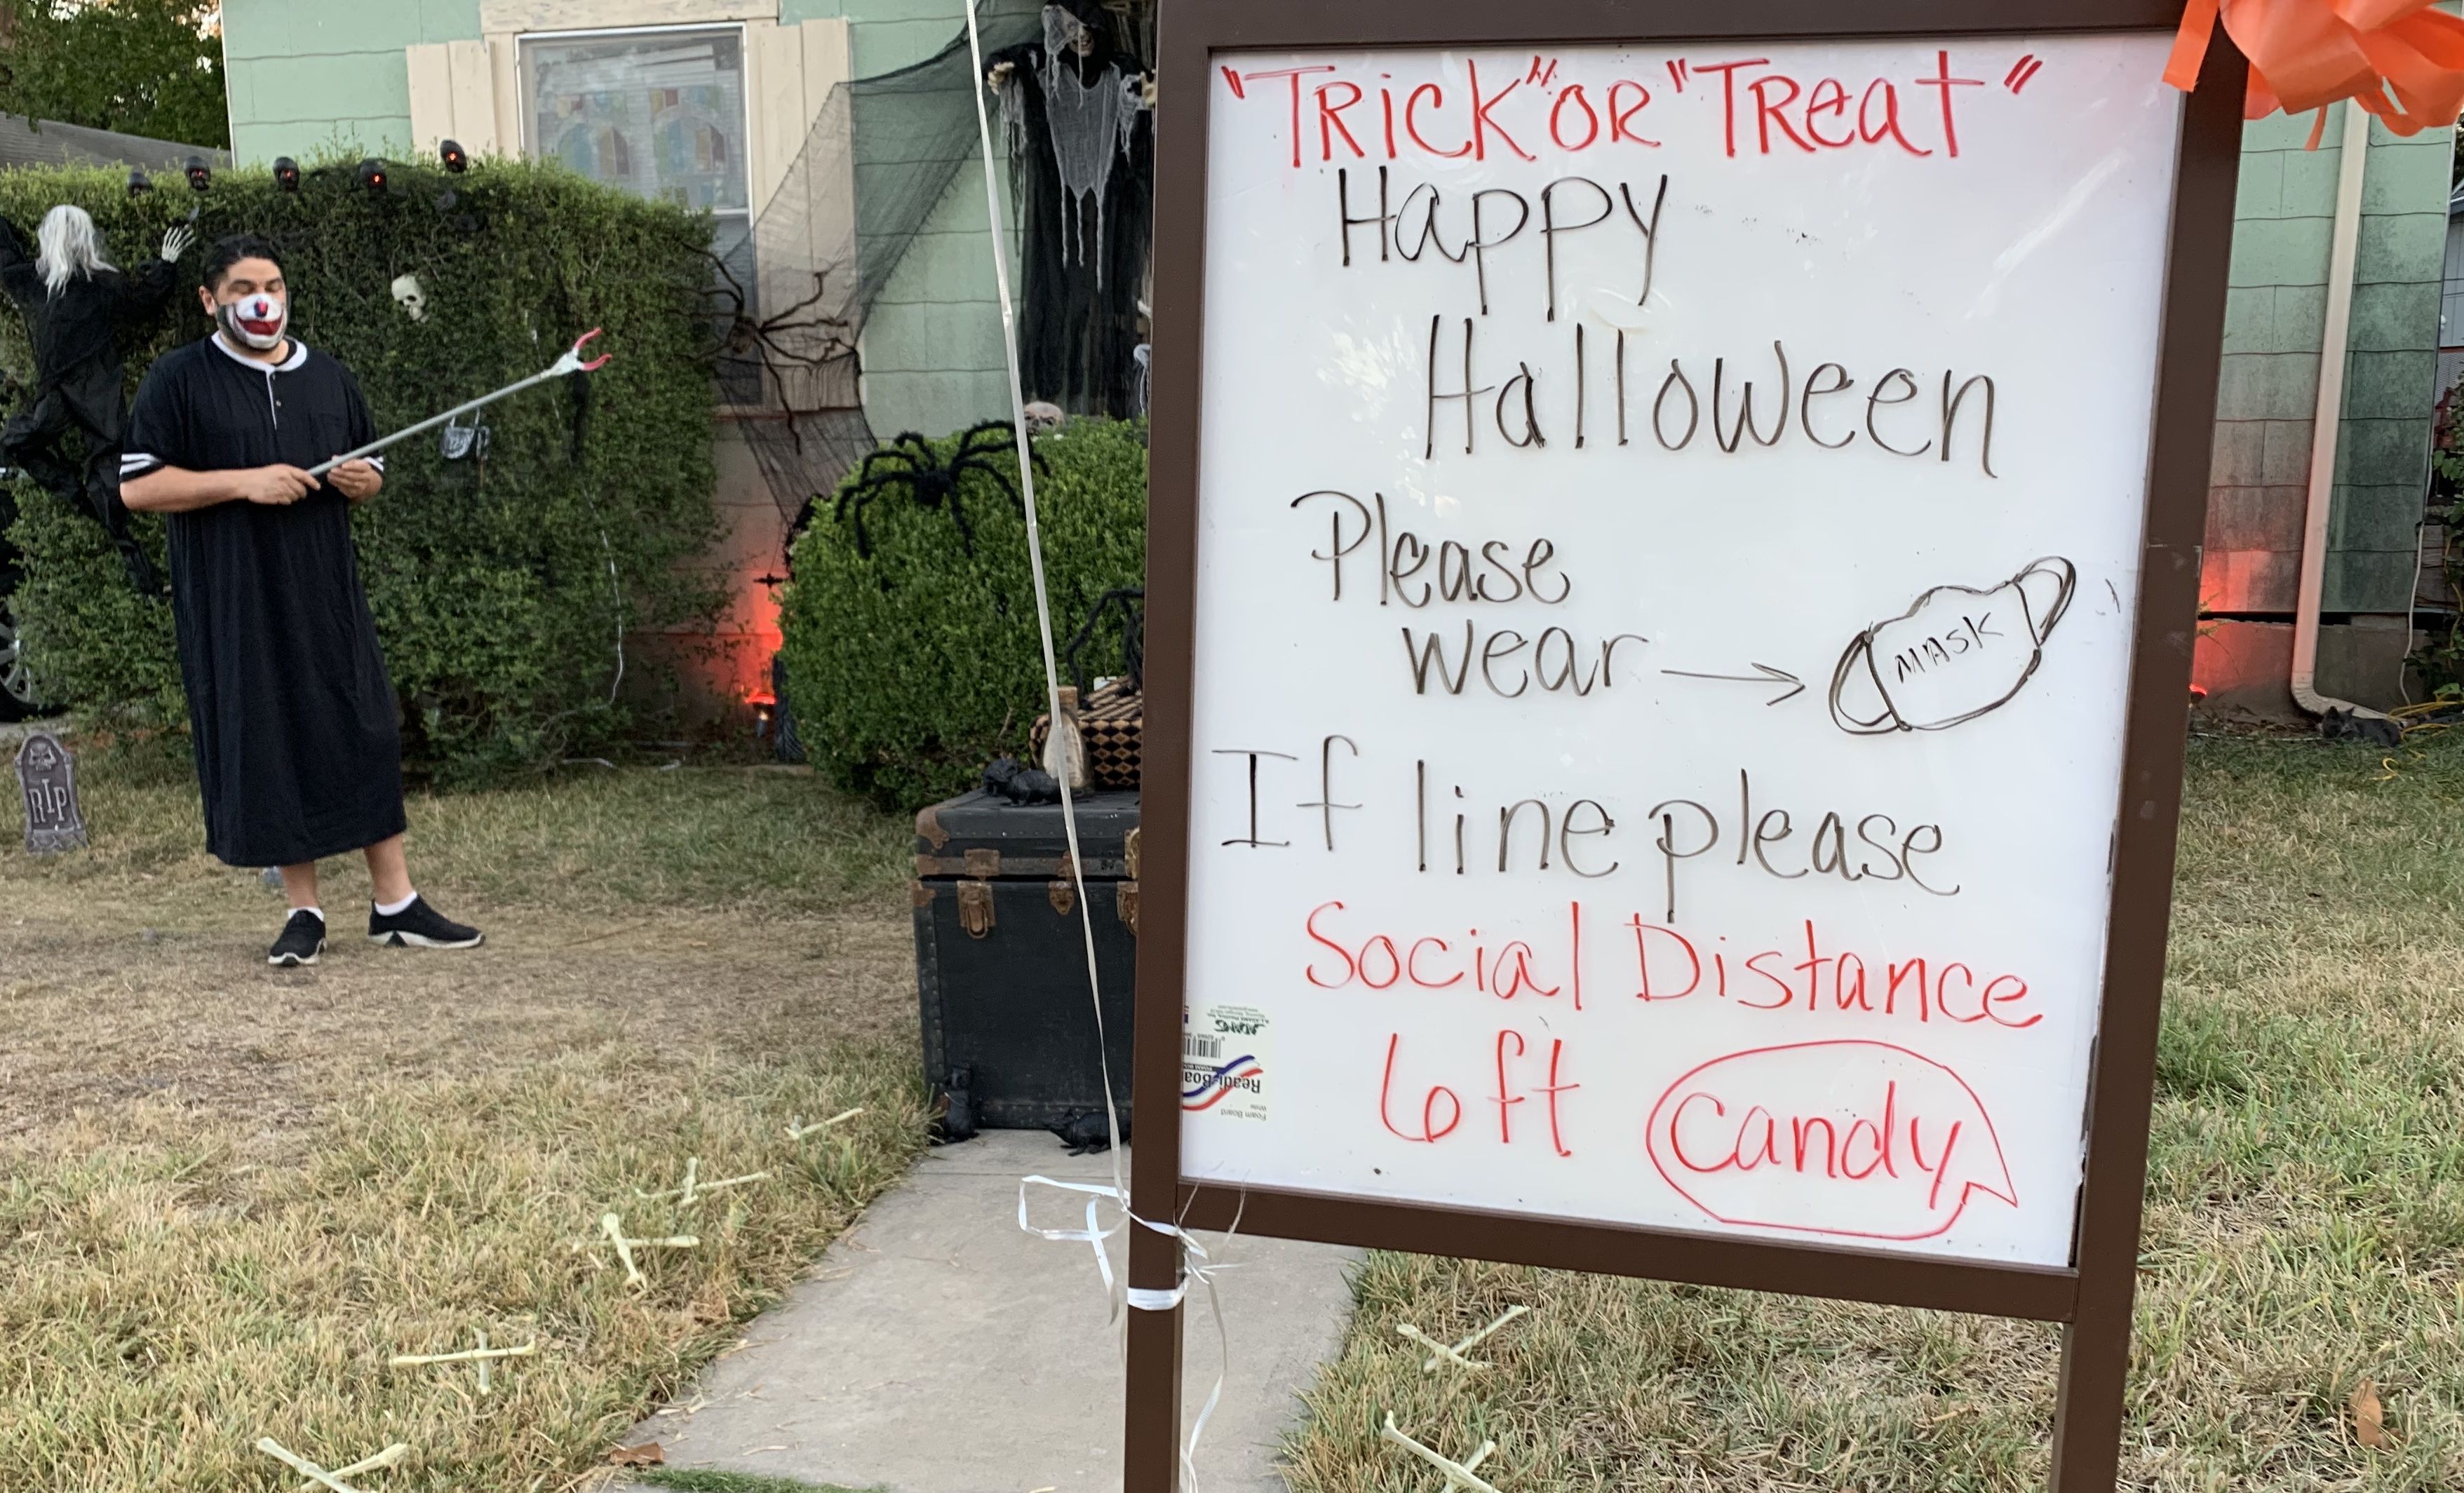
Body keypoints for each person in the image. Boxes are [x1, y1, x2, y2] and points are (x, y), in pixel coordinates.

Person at [120, 234, 484, 967]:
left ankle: (396, 904)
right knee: (273, 737)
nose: (263, 299)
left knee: (367, 727)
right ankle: (304, 909)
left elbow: (372, 467)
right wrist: (243, 481)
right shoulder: (179, 380)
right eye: (245, 287)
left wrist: (362, 480)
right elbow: (137, 486)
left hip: (327, 593)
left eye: (276, 285)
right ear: (209, 300)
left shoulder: (331, 378)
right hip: (237, 597)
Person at [0, 205, 192, 593]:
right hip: (73, 394)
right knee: (20, 443)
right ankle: (89, 502)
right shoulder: (59, 281)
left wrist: (166, 264)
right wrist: (165, 264)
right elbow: (142, 298)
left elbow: (141, 300)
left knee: (106, 475)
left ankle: (144, 576)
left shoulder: (87, 282)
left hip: (92, 392)